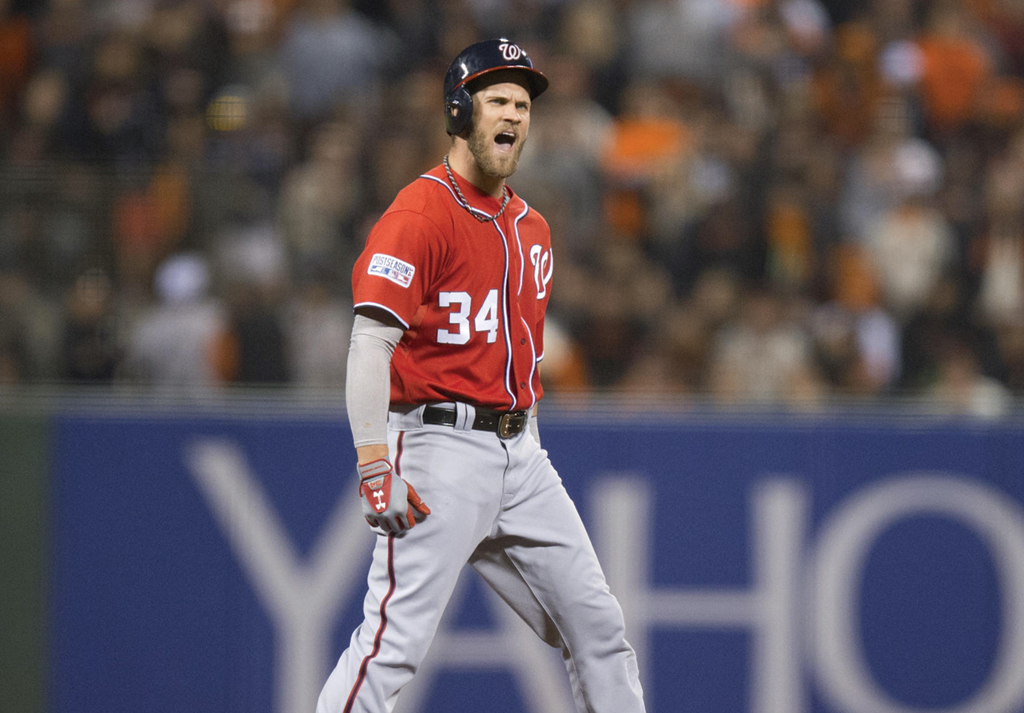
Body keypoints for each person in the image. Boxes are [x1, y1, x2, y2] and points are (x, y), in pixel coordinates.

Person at [316, 38, 646, 713]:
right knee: (392, 644)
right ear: (460, 110)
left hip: (519, 451)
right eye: (498, 99)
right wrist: (374, 461)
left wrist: (524, 441)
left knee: (598, 629)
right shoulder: (419, 213)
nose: (514, 115)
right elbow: (370, 342)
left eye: (523, 104)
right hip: (437, 448)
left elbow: (522, 363)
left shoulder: (533, 228)